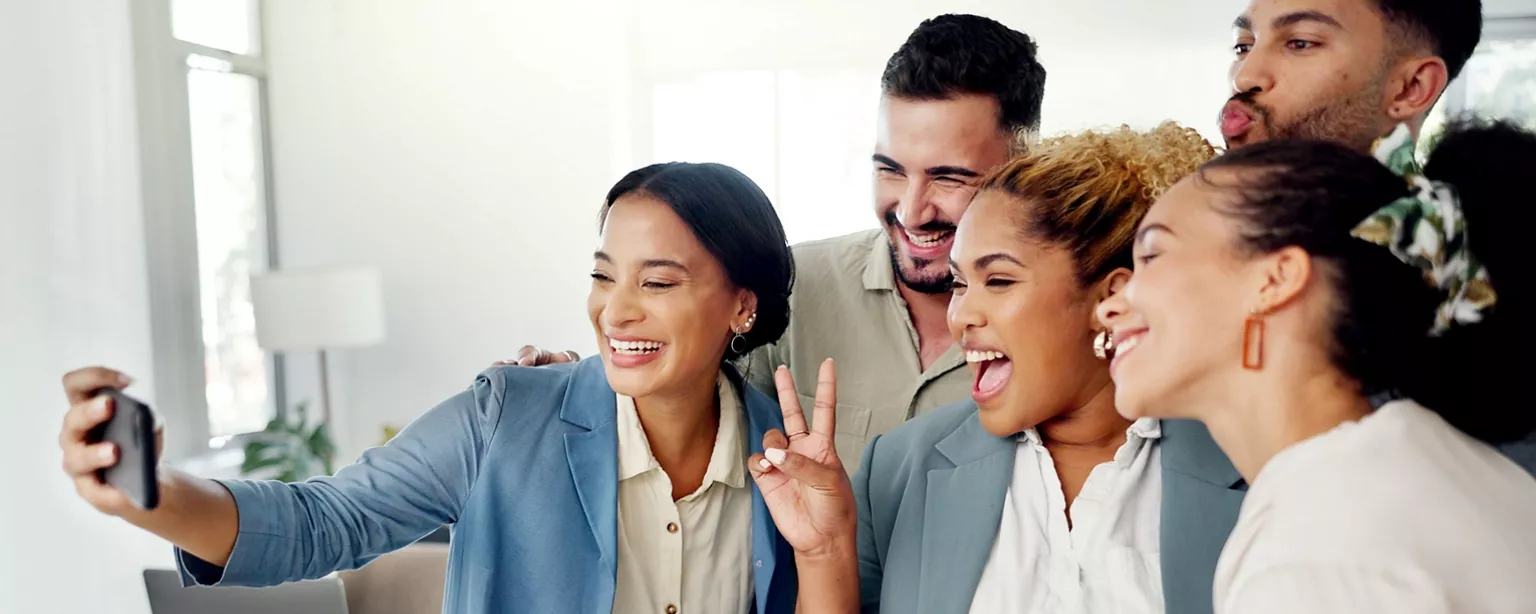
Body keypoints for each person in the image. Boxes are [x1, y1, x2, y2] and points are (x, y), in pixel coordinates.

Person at [56, 162, 804, 614]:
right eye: (603, 275)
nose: (616, 310)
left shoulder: (785, 464)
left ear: (742, 305)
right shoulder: (509, 415)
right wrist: (153, 493)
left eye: (659, 282)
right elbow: (324, 522)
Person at [503, 14, 1047, 472]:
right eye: (890, 170)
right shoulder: (790, 286)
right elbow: (679, 397)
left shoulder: (1065, 319)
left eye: (949, 178)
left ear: (1024, 168)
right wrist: (576, 388)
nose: (911, 210)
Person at [754, 123, 1222, 614]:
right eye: (959, 283)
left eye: (998, 280)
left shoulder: (1244, 462)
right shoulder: (901, 466)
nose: (962, 317)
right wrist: (824, 552)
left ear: (1110, 297)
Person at [1096, 119, 1536, 613]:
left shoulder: (1316, 545)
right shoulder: (1443, 470)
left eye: (1152, 255)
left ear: (1276, 279)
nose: (1109, 307)